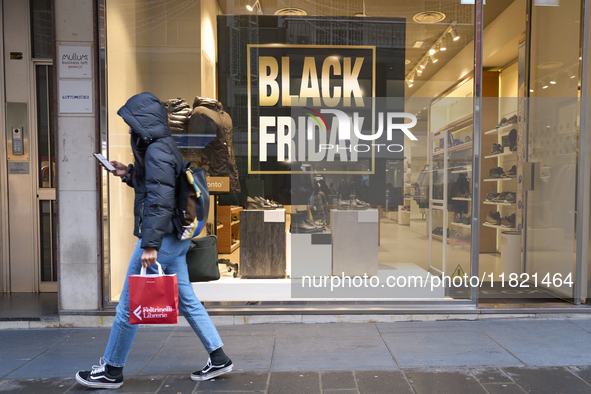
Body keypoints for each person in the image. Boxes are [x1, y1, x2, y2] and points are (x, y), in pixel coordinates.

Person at [76, 92, 232, 389]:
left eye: (132, 123)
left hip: (162, 240)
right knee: (186, 300)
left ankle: (111, 369)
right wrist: (127, 173)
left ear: (143, 123)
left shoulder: (157, 151)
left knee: (128, 304)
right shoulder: (161, 147)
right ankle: (219, 356)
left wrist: (150, 245)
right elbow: (160, 184)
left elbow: (160, 201)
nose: (129, 129)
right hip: (174, 237)